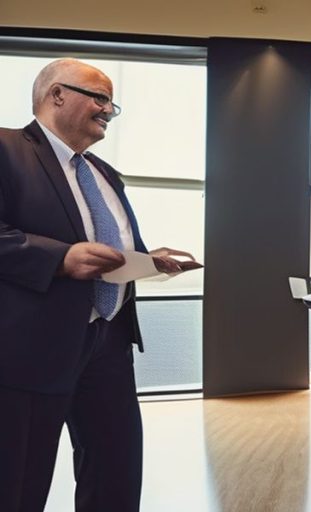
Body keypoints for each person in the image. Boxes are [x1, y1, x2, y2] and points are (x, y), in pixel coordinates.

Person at [0, 58, 193, 512]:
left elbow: (116, 242)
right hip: (31, 349)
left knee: (117, 471)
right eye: (99, 97)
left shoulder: (105, 173)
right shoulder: (6, 149)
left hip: (109, 341)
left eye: (111, 101)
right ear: (57, 94)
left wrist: (150, 260)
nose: (108, 109)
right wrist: (59, 258)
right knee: (19, 481)